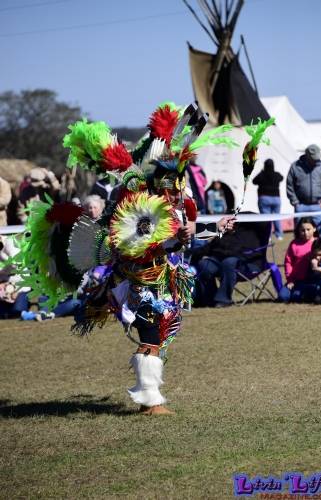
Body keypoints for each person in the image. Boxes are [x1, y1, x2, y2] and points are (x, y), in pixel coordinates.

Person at [7, 101, 239, 415]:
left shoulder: (165, 204)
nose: (176, 195)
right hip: (141, 283)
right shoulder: (137, 207)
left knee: (159, 333)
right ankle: (150, 402)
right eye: (172, 189)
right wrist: (175, 241)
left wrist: (216, 227)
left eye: (178, 190)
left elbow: (185, 233)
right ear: (161, 184)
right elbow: (140, 245)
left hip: (162, 281)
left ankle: (151, 396)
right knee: (150, 334)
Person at [192, 218, 271, 307]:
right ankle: (208, 298)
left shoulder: (250, 229)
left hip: (247, 264)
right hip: (220, 261)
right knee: (205, 264)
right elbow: (212, 247)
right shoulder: (224, 232)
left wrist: (237, 225)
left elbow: (241, 251)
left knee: (229, 262)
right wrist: (194, 254)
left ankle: (223, 299)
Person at [286, 144, 321, 238]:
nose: (316, 160)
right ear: (307, 156)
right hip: (301, 205)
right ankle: (299, 251)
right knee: (300, 231)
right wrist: (295, 202)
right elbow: (290, 185)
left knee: (320, 231)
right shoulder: (295, 167)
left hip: (317, 205)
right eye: (313, 158)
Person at [278, 217, 317, 303]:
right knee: (283, 297)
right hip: (295, 280)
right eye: (302, 230)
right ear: (298, 231)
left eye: (308, 229)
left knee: (297, 297)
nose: (305, 233)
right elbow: (288, 262)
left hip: (311, 281)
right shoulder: (294, 244)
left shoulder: (318, 243)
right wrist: (290, 280)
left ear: (314, 229)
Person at [252, 159, 284, 240]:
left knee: (266, 218)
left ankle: (268, 235)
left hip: (264, 198)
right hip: (276, 198)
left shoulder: (262, 174)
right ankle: (279, 235)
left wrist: (261, 172)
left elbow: (254, 181)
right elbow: (281, 178)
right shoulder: (276, 174)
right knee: (276, 217)